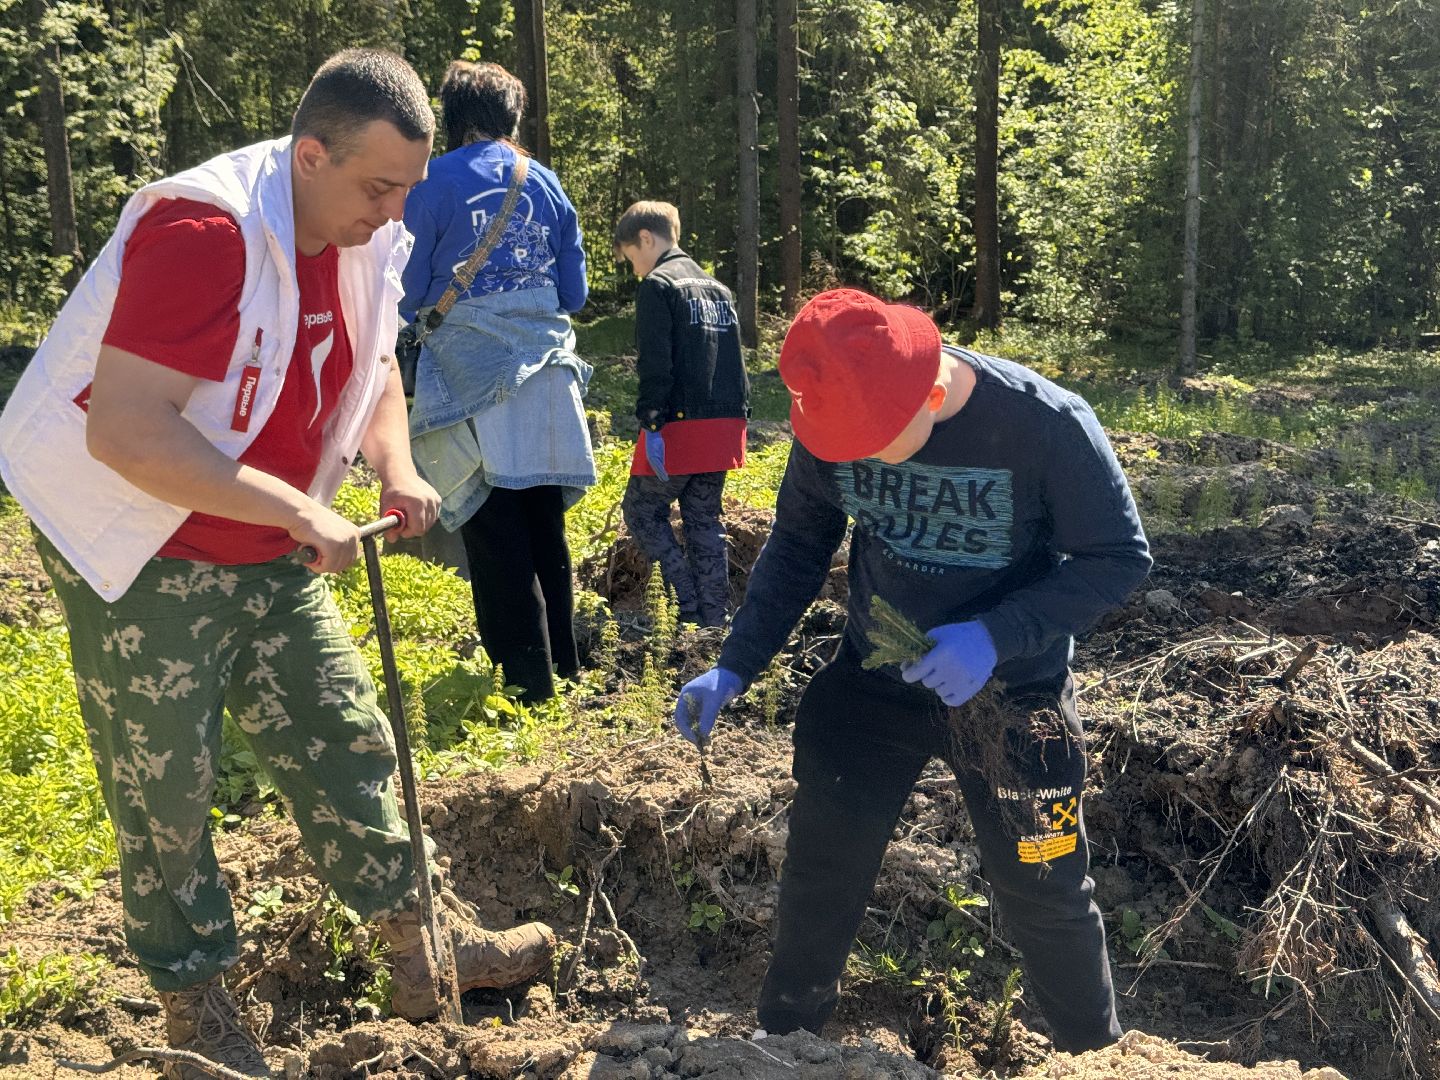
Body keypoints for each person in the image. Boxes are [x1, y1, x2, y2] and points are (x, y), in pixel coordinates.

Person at [0, 50, 555, 1080]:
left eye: (406, 191)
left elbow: (376, 355)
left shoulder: (360, 229)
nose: (395, 216)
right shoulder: (204, 232)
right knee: (164, 778)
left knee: (346, 729)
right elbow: (123, 432)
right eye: (378, 188)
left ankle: (424, 944)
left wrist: (391, 463)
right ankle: (196, 1007)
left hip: (268, 532)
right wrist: (302, 505)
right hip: (142, 537)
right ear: (309, 156)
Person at [674, 289, 1152, 1053]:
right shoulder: (832, 419)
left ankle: (1095, 1059)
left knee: (1047, 884)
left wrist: (998, 635)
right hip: (874, 681)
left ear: (932, 389)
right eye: (843, 444)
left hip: (1014, 696)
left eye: (875, 441)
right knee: (821, 874)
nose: (854, 456)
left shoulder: (1045, 426)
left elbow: (1119, 559)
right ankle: (782, 1047)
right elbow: (799, 548)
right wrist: (735, 666)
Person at [402, 61, 595, 704]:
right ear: (515, 120)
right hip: (547, 376)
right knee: (545, 528)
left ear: (450, 119)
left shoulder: (431, 182)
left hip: (470, 380)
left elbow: (401, 294)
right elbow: (574, 292)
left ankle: (527, 689)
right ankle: (565, 675)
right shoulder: (546, 182)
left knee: (493, 534)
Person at [614, 201, 749, 628]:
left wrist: (652, 421)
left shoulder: (658, 285)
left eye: (632, 257)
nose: (635, 269)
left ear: (647, 239)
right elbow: (735, 362)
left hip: (679, 424)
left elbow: (656, 363)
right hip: (725, 424)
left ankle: (684, 607)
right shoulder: (718, 289)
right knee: (703, 520)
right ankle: (714, 621)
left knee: (641, 512)